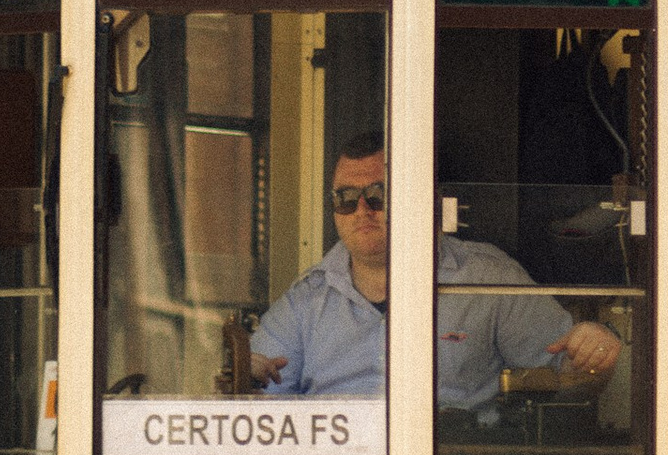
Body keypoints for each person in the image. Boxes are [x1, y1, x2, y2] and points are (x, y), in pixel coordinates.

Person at [249, 131, 622, 406]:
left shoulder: (487, 279)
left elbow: (570, 375)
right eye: (346, 199)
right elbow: (264, 398)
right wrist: (248, 373)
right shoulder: (306, 297)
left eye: (378, 195)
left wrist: (595, 348)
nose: (362, 210)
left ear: (427, 199)